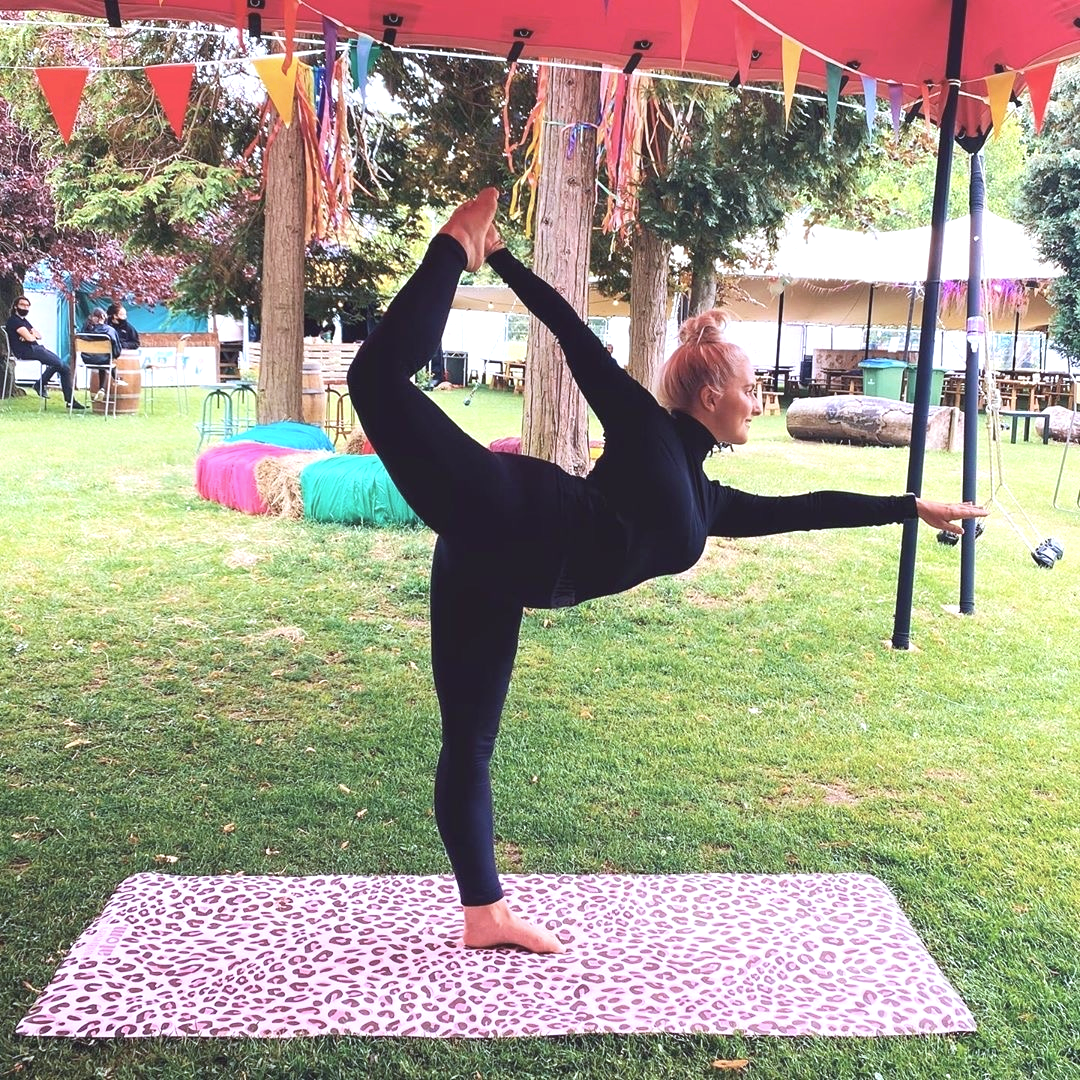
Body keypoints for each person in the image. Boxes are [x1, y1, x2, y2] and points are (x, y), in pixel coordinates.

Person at [347, 189, 987, 955]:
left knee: (470, 741)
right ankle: (455, 244)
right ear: (710, 395)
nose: (758, 403)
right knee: (375, 380)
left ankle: (484, 915)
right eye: (749, 390)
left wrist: (908, 507)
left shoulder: (704, 498)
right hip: (513, 514)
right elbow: (571, 333)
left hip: (503, 573)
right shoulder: (646, 430)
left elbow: (803, 509)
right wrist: (502, 259)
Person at [4, 296, 85, 409]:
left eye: (27, 306)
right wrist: (30, 335)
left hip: (36, 348)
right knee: (58, 364)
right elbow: (30, 338)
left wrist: (29, 335)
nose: (25, 308)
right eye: (22, 305)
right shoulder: (14, 321)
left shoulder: (24, 321)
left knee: (65, 368)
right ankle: (40, 384)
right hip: (26, 351)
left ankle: (70, 401)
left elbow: (39, 335)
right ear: (15, 307)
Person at [78, 308, 125, 402]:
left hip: (87, 360)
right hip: (104, 359)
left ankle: (102, 388)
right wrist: (114, 356)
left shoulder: (84, 329)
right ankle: (116, 378)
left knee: (102, 363)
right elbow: (116, 348)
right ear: (103, 317)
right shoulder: (109, 330)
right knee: (107, 361)